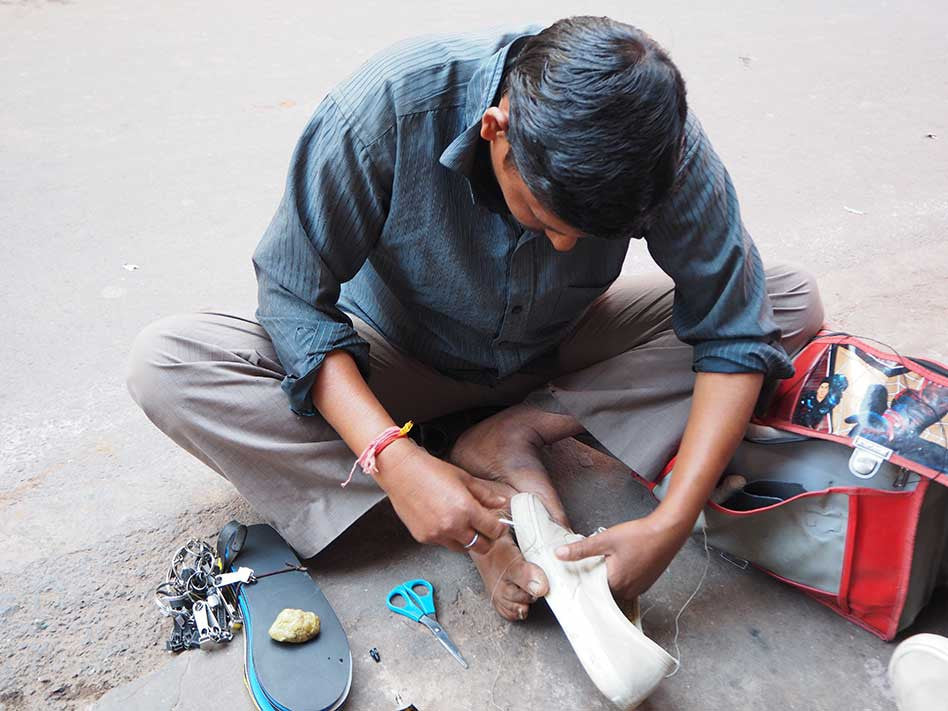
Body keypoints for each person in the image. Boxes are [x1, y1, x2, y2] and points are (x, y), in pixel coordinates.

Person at [127, 16, 824, 622]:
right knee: (167, 364)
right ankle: (466, 511)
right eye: (546, 219)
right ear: (497, 130)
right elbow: (290, 296)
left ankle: (518, 427)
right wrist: (392, 458)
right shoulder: (391, 105)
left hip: (558, 346)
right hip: (396, 356)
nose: (562, 247)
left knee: (788, 300)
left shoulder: (658, 150)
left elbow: (735, 323)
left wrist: (670, 523)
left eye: (585, 235)